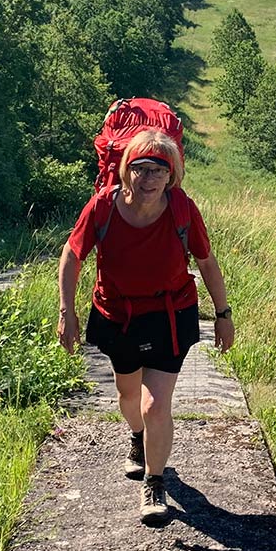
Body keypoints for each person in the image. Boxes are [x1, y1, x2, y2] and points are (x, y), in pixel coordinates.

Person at [57, 128, 234, 525]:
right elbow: (73, 254)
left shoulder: (182, 209)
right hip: (117, 315)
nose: (149, 177)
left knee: (156, 404)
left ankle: (154, 482)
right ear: (125, 171)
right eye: (140, 168)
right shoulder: (102, 207)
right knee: (127, 393)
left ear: (171, 175)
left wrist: (223, 315)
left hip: (171, 315)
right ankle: (136, 436)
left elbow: (206, 262)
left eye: (159, 169)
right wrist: (66, 310)